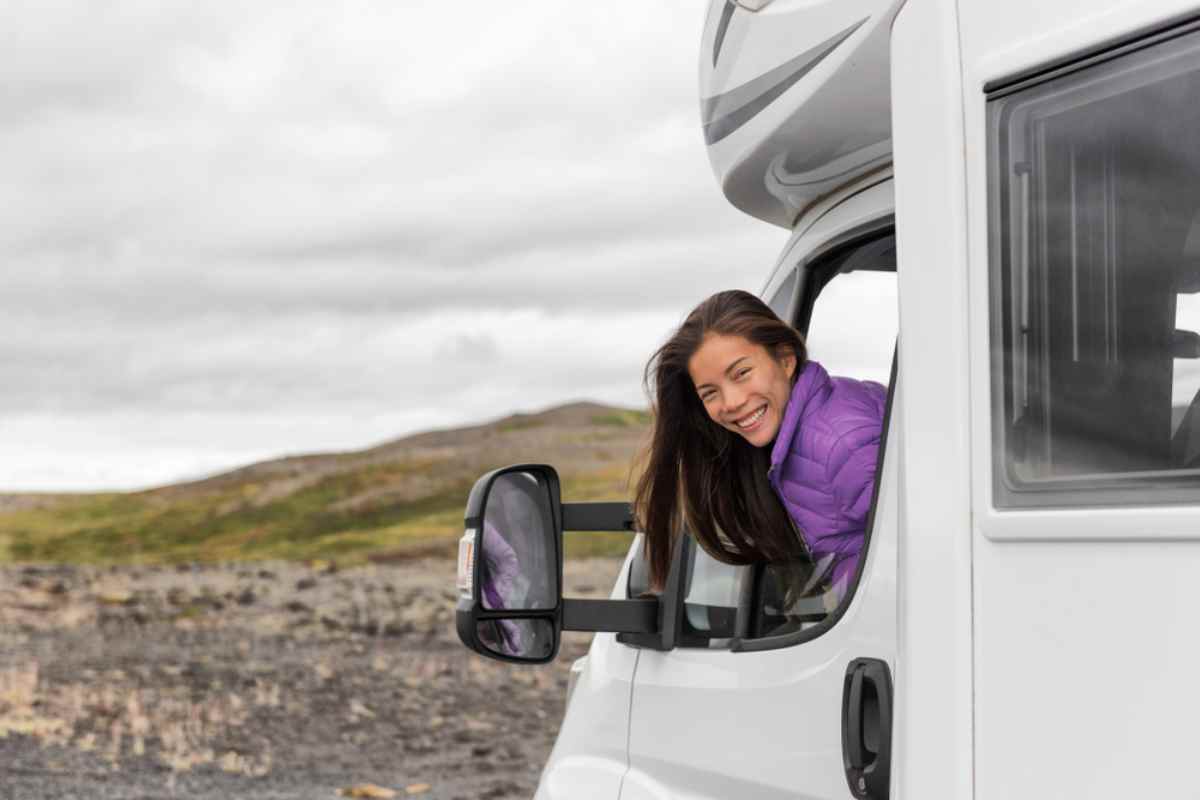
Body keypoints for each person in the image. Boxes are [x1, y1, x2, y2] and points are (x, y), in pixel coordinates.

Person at [634, 290, 886, 601]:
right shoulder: (798, 436)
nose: (733, 402)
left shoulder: (843, 445)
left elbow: (920, 561)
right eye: (710, 393)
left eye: (741, 373)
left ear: (785, 359)